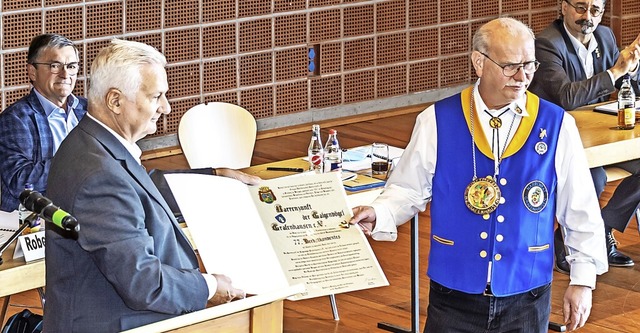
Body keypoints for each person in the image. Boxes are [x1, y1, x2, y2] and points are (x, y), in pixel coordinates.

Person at [350, 18, 608, 332]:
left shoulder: (556, 124)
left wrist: (583, 280)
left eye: (529, 65)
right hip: (453, 293)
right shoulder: (436, 120)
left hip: (527, 293)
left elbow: (579, 207)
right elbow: (407, 189)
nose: (522, 76)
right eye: (510, 66)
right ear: (479, 63)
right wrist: (378, 212)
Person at [43, 39, 248, 332]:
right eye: (156, 96)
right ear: (115, 101)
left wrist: (215, 178)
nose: (165, 107)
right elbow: (145, 283)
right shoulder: (98, 175)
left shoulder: (92, 144)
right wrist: (210, 285)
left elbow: (141, 187)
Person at [529, 0, 640, 273]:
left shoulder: (604, 36)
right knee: (594, 177)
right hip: (553, 137)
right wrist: (616, 71)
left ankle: (601, 229)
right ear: (563, 7)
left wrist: (633, 68)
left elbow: (624, 86)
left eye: (595, 10)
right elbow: (566, 97)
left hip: (596, 133)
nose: (587, 17)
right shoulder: (546, 44)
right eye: (580, 8)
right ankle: (571, 242)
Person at [0, 33, 87, 212]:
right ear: (32, 71)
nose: (65, 74)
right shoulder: (16, 119)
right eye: (55, 66)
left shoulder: (89, 110)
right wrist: (78, 162)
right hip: (35, 224)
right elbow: (20, 181)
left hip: (86, 212)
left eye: (71, 66)